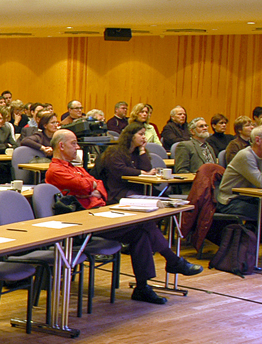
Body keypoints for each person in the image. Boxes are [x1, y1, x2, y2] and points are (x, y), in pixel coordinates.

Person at [46, 129, 202, 304]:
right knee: (143, 226)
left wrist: (92, 188)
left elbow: (100, 185)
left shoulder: (77, 168)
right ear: (61, 145)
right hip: (82, 223)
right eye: (73, 143)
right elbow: (85, 185)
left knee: (141, 232)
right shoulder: (55, 170)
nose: (77, 147)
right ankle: (172, 261)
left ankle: (143, 287)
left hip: (100, 213)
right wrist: (91, 188)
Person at [99, 121, 156, 204]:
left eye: (144, 134)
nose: (144, 137)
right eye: (141, 134)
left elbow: (147, 169)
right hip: (120, 191)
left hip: (138, 187)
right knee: (149, 202)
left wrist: (142, 150)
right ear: (131, 136)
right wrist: (141, 172)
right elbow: (120, 170)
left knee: (164, 198)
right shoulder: (114, 151)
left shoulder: (138, 152)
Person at [216, 125, 262, 220]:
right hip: (230, 201)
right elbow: (260, 182)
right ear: (258, 140)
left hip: (249, 199)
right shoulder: (246, 155)